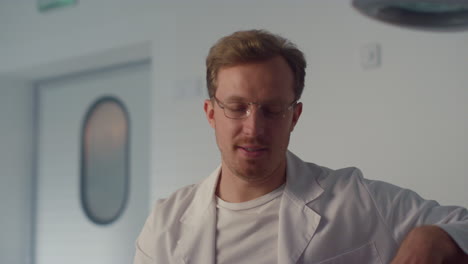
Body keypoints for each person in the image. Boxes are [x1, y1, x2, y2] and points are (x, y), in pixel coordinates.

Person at [133, 29, 468, 264]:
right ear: (210, 114)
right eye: (237, 108)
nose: (253, 127)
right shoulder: (165, 224)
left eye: (272, 109)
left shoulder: (355, 200)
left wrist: (433, 238)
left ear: (294, 115)